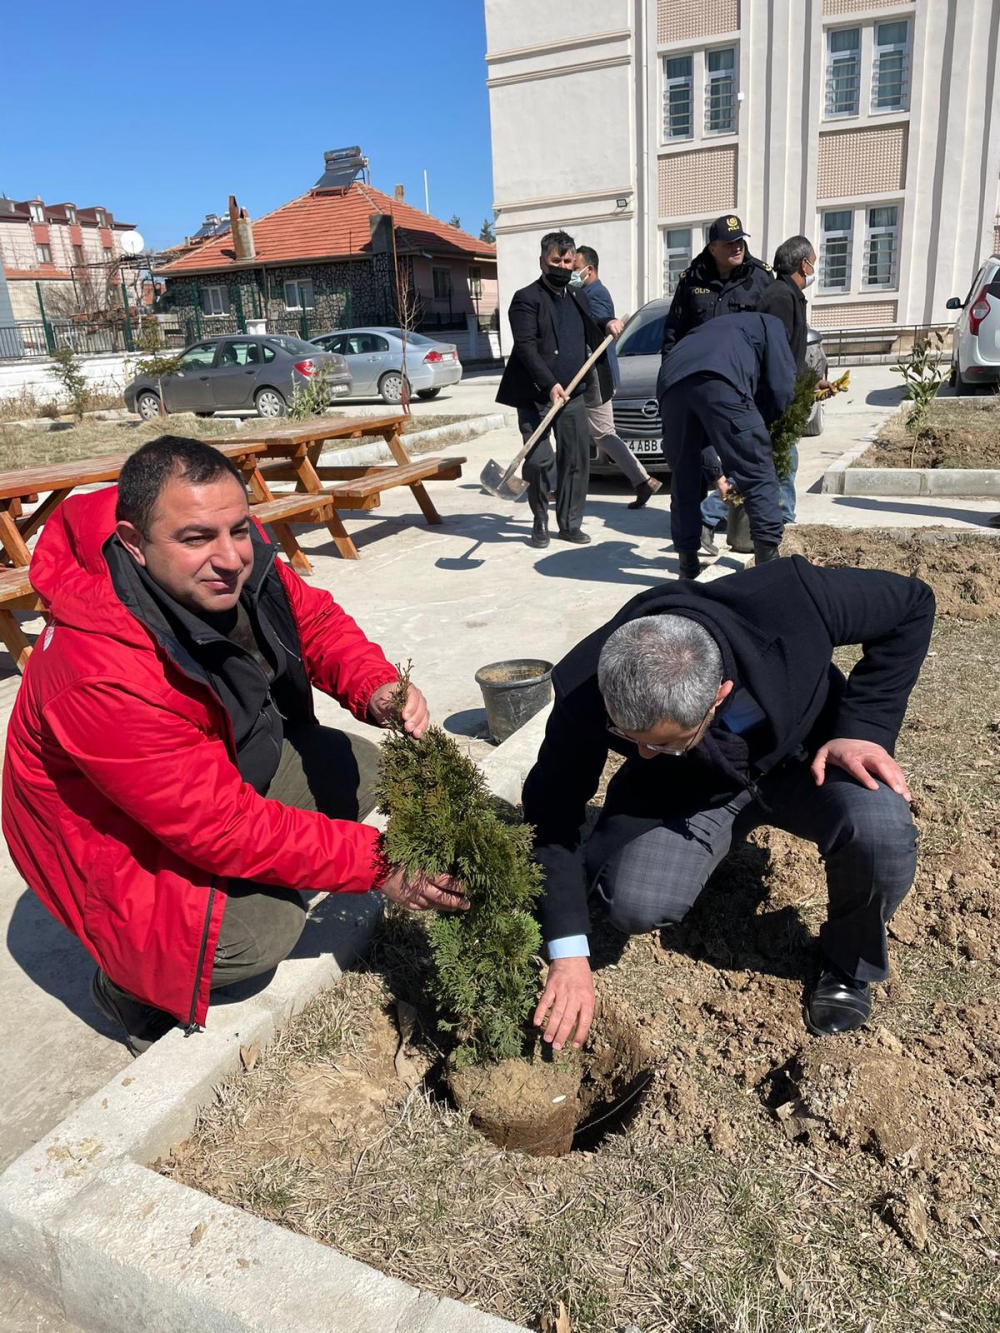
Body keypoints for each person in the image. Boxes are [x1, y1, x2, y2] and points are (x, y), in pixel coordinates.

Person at [2, 436, 469, 1057]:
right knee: (262, 934)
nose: (229, 558)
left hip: (208, 777)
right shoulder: (101, 670)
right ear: (134, 543)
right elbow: (217, 825)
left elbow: (314, 620)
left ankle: (256, 879)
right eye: (195, 539)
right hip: (116, 845)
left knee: (357, 768)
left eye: (238, 529)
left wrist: (376, 686)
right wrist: (376, 867)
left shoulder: (235, 558)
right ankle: (128, 990)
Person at [522, 559, 934, 1049]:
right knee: (633, 901)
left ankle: (848, 964)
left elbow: (913, 604)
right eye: (631, 741)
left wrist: (862, 731)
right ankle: (708, 841)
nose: (643, 755)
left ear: (719, 696)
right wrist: (568, 951)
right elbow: (553, 811)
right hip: (693, 791)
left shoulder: (793, 597)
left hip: (810, 761)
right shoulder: (586, 686)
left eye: (664, 743)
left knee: (881, 830)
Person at [701, 235, 831, 554]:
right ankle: (708, 516)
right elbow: (775, 355)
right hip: (767, 401)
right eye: (813, 260)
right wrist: (786, 394)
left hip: (778, 396)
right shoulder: (780, 299)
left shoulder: (789, 296)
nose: (815, 266)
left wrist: (812, 382)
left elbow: (791, 354)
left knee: (778, 464)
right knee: (763, 467)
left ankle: (780, 521)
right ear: (804, 264)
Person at [496, 231, 615, 548]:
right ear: (542, 262)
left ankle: (569, 523)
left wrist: (608, 323)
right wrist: (549, 384)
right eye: (556, 260)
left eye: (567, 260)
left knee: (576, 460)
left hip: (573, 395)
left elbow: (593, 322)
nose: (563, 266)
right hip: (536, 395)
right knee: (538, 461)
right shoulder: (526, 299)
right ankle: (539, 519)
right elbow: (525, 348)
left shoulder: (577, 296)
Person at [657, 312, 796, 578]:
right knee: (757, 472)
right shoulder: (772, 323)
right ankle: (770, 570)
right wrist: (763, 423)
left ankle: (688, 569)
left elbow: (701, 443)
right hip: (720, 377)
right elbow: (781, 384)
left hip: (670, 385)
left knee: (684, 478)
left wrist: (715, 473)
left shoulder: (712, 329)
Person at [571, 245, 662, 510]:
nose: (572, 272)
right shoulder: (583, 292)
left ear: (590, 269)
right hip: (589, 376)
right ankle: (642, 480)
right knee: (589, 433)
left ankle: (643, 480)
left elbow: (601, 317)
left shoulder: (595, 293)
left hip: (597, 377)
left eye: (575, 268)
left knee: (603, 433)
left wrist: (607, 320)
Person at [659, 214, 774, 358]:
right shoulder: (692, 279)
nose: (737, 247)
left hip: (747, 371)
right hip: (703, 368)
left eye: (739, 241)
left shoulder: (760, 277)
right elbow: (674, 333)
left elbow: (773, 334)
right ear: (713, 249)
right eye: (729, 243)